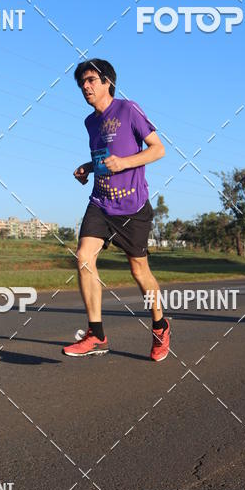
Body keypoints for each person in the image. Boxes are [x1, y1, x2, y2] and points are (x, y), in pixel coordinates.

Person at [62, 58, 170, 361]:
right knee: (83, 257)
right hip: (101, 203)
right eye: (82, 82)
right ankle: (95, 332)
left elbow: (158, 149)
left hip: (132, 207)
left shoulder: (128, 109)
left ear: (108, 81)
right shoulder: (90, 122)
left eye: (91, 80)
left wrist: (125, 163)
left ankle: (160, 326)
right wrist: (88, 168)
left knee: (139, 270)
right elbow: (104, 158)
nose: (85, 86)